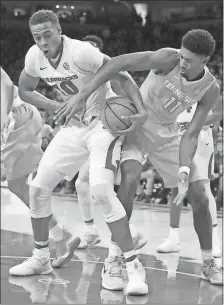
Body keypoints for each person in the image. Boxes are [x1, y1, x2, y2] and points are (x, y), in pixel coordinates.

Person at [55, 29, 223, 285]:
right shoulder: (168, 58)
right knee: (130, 180)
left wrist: (184, 171)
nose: (183, 62)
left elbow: (191, 135)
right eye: (183, 56)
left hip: (170, 134)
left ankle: (209, 262)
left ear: (205, 61)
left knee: (199, 194)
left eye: (190, 60)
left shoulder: (210, 89)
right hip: (137, 125)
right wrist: (83, 93)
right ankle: (114, 258)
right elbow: (119, 62)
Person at [9, 10, 148, 296]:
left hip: (104, 125)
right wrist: (56, 108)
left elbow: (121, 74)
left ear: (59, 30)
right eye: (38, 36)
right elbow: (24, 89)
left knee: (100, 189)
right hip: (75, 127)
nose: (43, 41)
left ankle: (131, 266)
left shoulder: (82, 52)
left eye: (48, 34)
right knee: (37, 188)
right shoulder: (34, 57)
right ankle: (41, 257)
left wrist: (141, 111)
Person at [1, 67, 80, 269]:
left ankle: (44, 252)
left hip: (14, 119)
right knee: (17, 185)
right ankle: (60, 234)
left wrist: (2, 120)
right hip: (22, 118)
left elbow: (7, 84)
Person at [75, 35, 147, 252]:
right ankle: (94, 231)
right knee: (85, 184)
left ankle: (128, 235)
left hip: (114, 134)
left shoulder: (109, 73)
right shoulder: (78, 77)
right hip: (92, 133)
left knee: (109, 189)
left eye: (94, 48)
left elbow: (123, 93)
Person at [156, 102, 222, 258]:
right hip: (177, 136)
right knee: (175, 185)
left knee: (204, 188)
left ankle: (215, 240)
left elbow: (218, 114)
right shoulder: (173, 81)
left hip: (201, 137)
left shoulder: (208, 83)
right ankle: (173, 238)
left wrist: (195, 124)